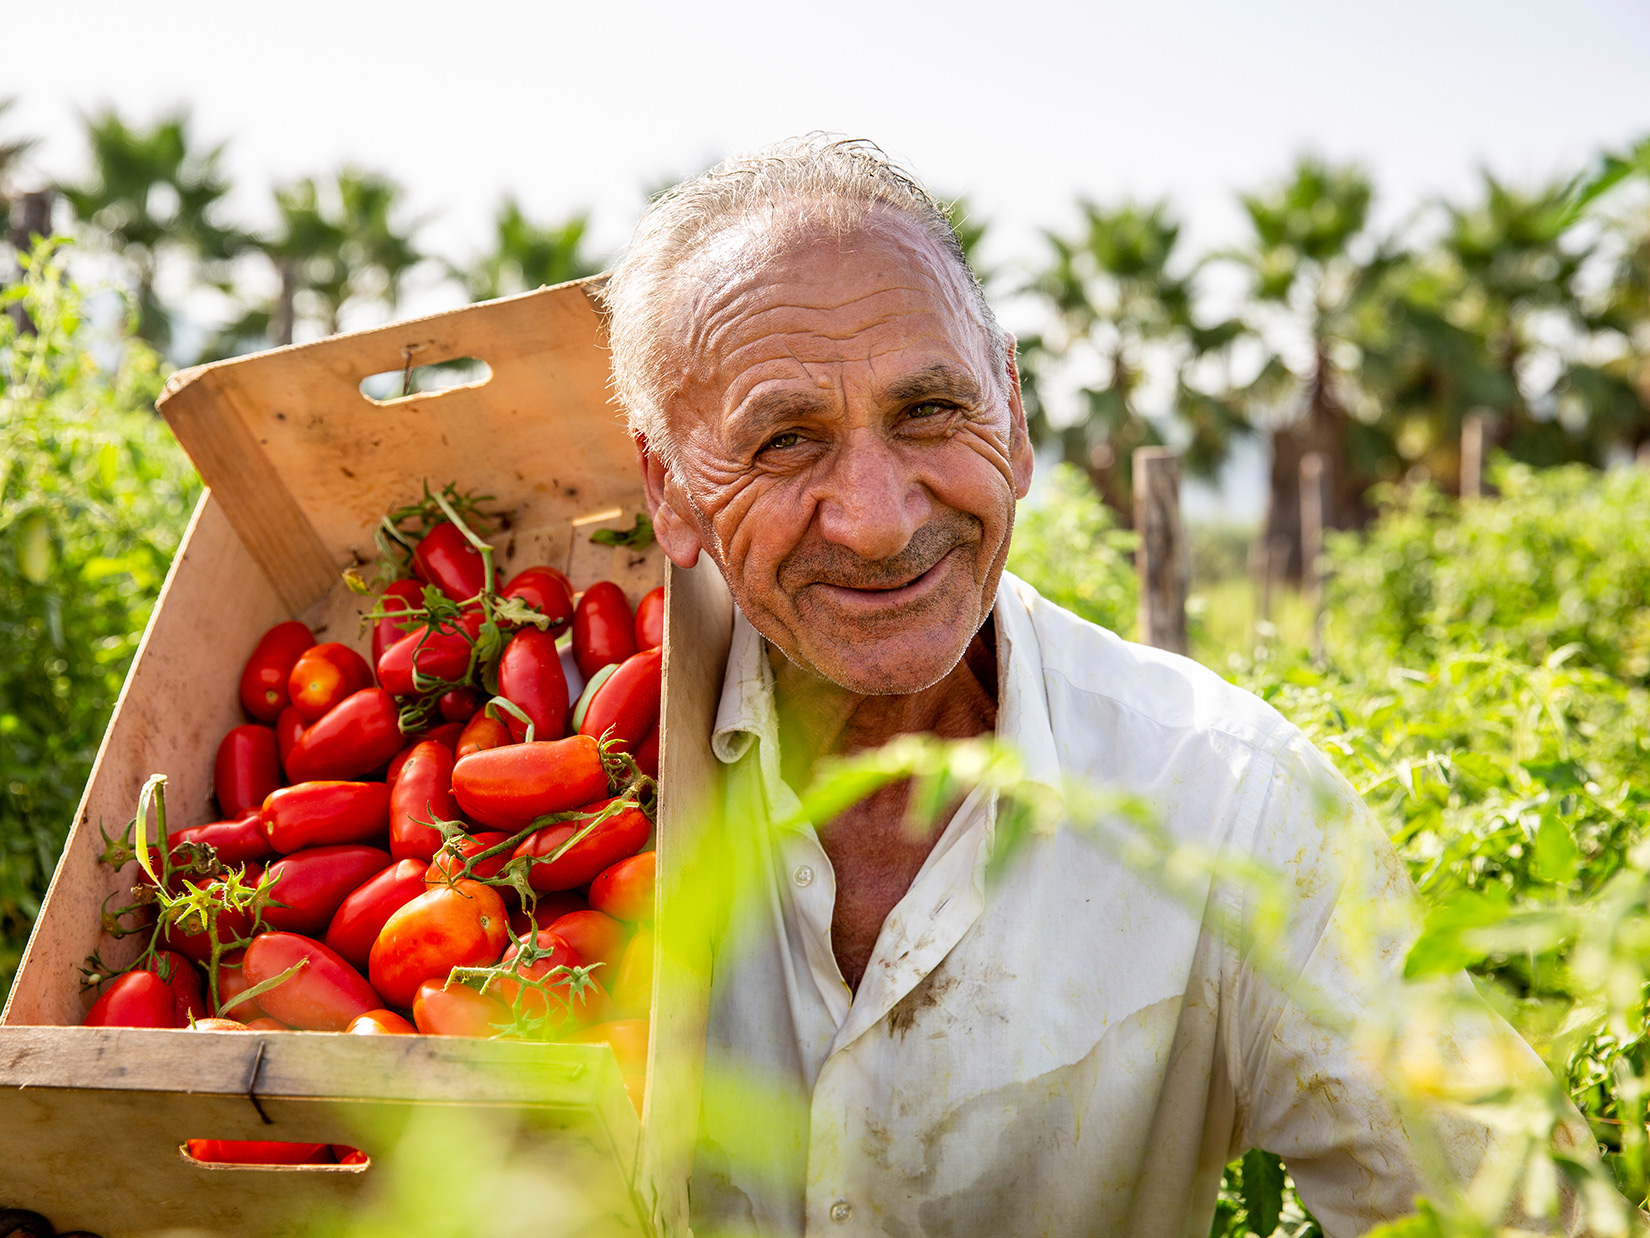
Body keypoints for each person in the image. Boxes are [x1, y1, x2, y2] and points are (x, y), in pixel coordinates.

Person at [601, 136, 1584, 1237]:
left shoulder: (1232, 803)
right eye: (785, 441)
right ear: (669, 489)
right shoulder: (569, 777)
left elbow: (1519, 1214)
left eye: (930, 409)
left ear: (1014, 414)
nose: (878, 517)